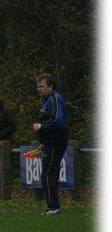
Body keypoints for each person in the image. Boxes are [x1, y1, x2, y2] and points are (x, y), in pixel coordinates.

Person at [33, 73, 69, 215]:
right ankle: (52, 206)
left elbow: (57, 121)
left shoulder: (54, 98)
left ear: (51, 86)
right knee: (49, 173)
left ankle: (53, 206)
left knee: (48, 173)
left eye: (42, 86)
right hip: (50, 141)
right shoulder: (47, 100)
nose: (39, 89)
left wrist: (41, 127)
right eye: (38, 86)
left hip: (55, 141)